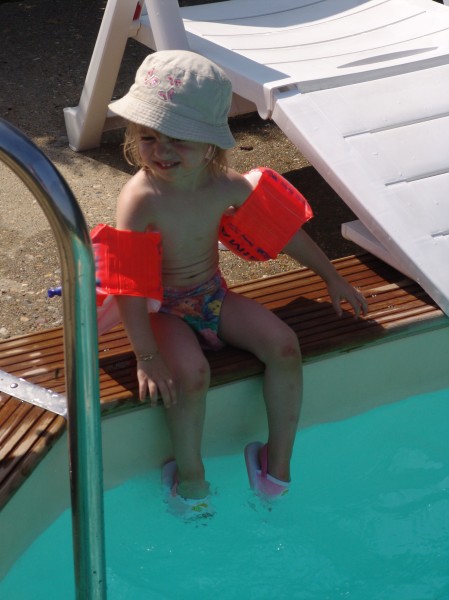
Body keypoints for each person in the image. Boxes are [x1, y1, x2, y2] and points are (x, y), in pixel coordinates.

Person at [109, 50, 367, 517]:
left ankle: (276, 463)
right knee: (191, 376)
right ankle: (190, 474)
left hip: (212, 296)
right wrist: (146, 356)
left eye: (178, 140)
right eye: (148, 138)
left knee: (285, 346)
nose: (161, 151)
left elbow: (283, 231)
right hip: (161, 310)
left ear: (210, 143)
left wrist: (331, 276)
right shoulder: (140, 199)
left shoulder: (223, 184)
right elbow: (126, 284)